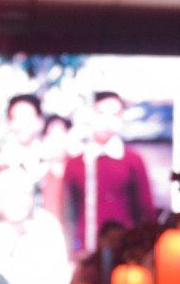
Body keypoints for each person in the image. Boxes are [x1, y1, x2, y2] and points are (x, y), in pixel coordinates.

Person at [60, 92, 154, 255]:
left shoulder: (132, 161)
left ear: (122, 118)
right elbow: (67, 214)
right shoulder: (75, 164)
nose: (107, 121)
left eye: (115, 114)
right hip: (85, 252)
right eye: (101, 113)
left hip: (124, 252)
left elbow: (145, 212)